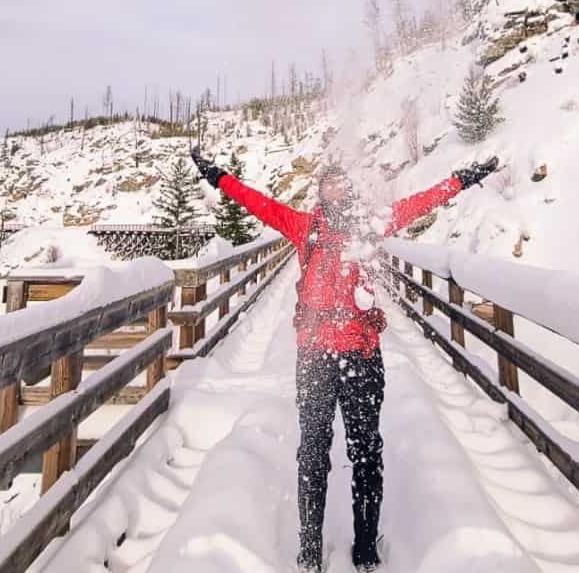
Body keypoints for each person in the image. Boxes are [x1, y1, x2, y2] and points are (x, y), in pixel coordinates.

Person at [189, 147, 499, 572]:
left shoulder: (368, 227)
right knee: (313, 451)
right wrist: (218, 176)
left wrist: (462, 179)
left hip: (362, 356)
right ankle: (309, 548)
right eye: (328, 183)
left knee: (366, 451)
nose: (335, 189)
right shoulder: (304, 228)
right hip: (316, 355)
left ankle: (367, 547)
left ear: (349, 190)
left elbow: (422, 201)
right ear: (320, 192)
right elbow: (257, 203)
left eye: (341, 182)